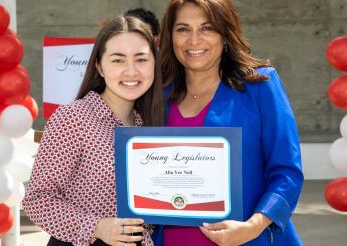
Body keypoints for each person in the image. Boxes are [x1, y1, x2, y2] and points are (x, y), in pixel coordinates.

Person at [153, 0, 304, 245]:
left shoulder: (260, 85)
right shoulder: (157, 94)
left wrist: (252, 227)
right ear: (170, 36)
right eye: (183, 29)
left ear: (225, 33)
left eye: (207, 28)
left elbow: (287, 172)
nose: (194, 40)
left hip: (249, 238)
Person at [22, 15, 164, 246]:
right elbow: (37, 200)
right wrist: (96, 227)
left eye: (141, 59)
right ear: (99, 65)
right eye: (118, 60)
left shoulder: (150, 125)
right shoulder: (73, 118)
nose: (131, 71)